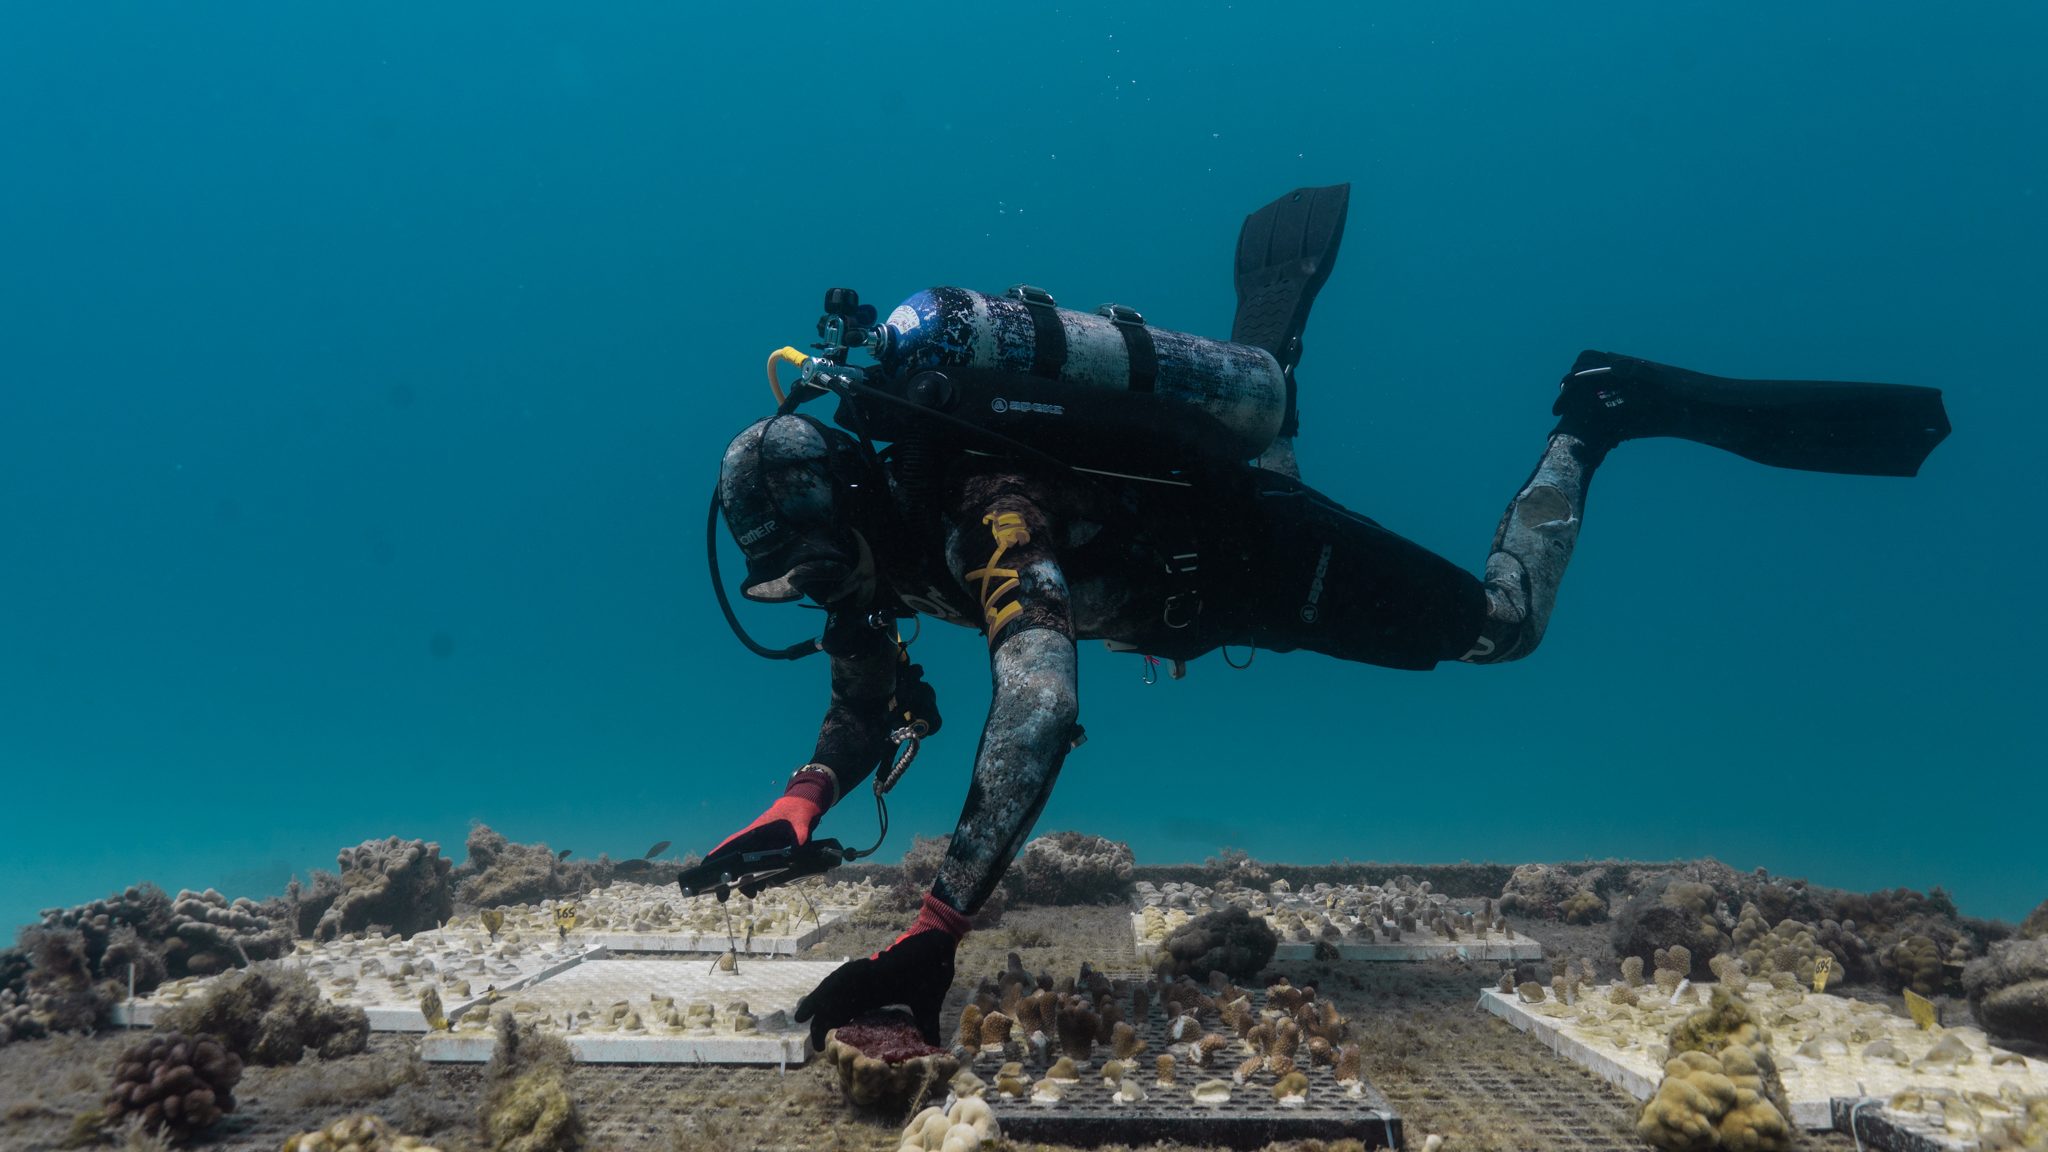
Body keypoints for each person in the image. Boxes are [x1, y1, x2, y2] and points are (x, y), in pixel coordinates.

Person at [695, 185, 1950, 1049]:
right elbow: (864, 693)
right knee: (1264, 456)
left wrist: (933, 933)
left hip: (1264, 564)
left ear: (853, 498)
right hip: (1188, 574)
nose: (823, 597)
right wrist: (800, 800)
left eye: (817, 570)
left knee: (1498, 626)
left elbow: (1038, 703)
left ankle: (1593, 418)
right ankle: (1270, 388)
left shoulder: (989, 512)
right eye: (792, 586)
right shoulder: (874, 553)